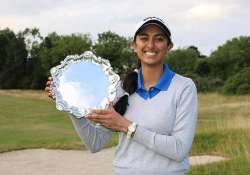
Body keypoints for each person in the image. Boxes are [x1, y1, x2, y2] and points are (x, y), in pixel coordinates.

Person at [46, 17, 198, 175]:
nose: (151, 45)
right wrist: (70, 102)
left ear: (169, 46)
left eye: (159, 39)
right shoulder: (120, 88)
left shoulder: (183, 87)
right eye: (144, 38)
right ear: (134, 45)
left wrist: (126, 126)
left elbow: (179, 149)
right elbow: (95, 143)